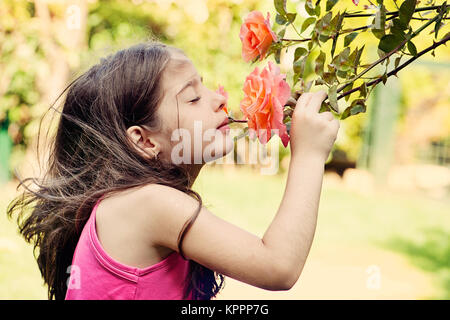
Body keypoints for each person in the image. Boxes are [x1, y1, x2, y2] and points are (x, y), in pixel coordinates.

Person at [7, 41, 340, 300]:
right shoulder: (147, 204)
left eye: (205, 87)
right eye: (193, 98)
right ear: (145, 140)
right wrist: (308, 155)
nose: (219, 101)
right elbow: (278, 267)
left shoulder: (138, 203)